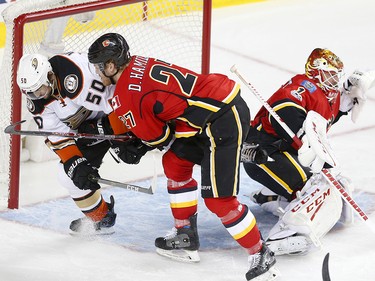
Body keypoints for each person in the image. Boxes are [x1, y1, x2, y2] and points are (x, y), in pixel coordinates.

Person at [86, 32, 279, 281]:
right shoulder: (138, 62)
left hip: (221, 119)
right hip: (211, 111)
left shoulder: (125, 97)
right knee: (175, 162)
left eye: (100, 66)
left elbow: (160, 138)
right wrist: (140, 138)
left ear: (112, 65)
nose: (98, 72)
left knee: (219, 201)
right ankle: (185, 235)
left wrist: (138, 144)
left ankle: (260, 253)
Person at [241, 48, 373, 255]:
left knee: (335, 184)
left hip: (284, 153)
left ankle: (271, 197)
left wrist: (350, 90)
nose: (334, 79)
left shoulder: (327, 95)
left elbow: (334, 110)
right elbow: (287, 111)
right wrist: (309, 144)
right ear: (315, 72)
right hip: (262, 153)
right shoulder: (304, 87)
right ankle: (287, 233)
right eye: (329, 74)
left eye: (336, 75)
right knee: (314, 185)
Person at [16, 52, 150, 235]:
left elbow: (114, 98)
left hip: (121, 113)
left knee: (153, 141)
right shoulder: (37, 101)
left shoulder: (75, 75)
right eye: (30, 92)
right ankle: (102, 217)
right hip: (90, 130)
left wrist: (120, 136)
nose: (35, 96)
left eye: (38, 89)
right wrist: (75, 163)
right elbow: (57, 136)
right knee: (68, 175)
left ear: (49, 75)